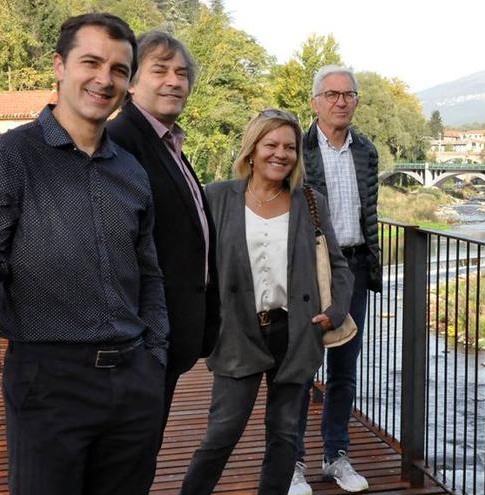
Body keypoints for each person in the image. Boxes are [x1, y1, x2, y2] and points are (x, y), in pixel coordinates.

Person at [0, 13, 169, 495]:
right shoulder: (9, 157)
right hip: (49, 382)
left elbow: (149, 273)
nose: (103, 79)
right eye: (90, 62)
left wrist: (155, 355)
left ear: (128, 82)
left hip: (134, 381)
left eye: (118, 69)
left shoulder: (130, 170)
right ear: (59, 66)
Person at [180, 109, 353, 495]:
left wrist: (335, 313)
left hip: (296, 332)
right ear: (253, 149)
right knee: (222, 433)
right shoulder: (217, 197)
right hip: (238, 331)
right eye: (271, 144)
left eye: (289, 147)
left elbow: (338, 265)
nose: (281, 154)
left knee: (285, 436)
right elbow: (193, 264)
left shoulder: (310, 201)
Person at [107, 31, 219, 437]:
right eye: (160, 70)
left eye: (182, 73)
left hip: (168, 342)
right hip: (140, 346)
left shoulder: (167, 143)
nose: (174, 80)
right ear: (132, 82)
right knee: (131, 459)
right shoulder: (122, 142)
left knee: (143, 454)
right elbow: (114, 248)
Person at [290, 65, 381, 495]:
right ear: (315, 102)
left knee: (345, 367)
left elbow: (369, 213)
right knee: (303, 368)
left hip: (356, 268)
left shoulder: (366, 150)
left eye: (348, 95)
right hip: (311, 268)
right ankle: (292, 462)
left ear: (356, 102)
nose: (341, 101)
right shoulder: (297, 147)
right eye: (331, 94)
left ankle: (336, 456)